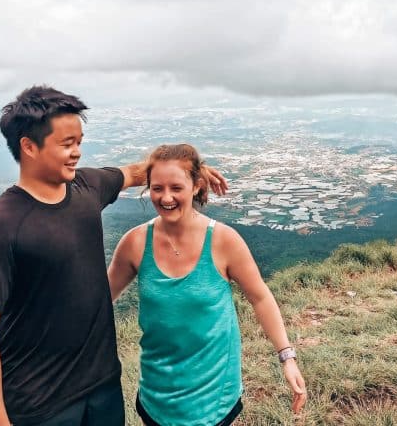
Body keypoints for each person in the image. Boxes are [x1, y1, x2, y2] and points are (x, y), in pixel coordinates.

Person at [0, 86, 227, 426]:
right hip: (39, 402)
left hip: (102, 386)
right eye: (66, 144)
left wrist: (189, 170)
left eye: (79, 142)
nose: (77, 153)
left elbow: (133, 172)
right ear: (28, 146)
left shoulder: (85, 188)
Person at [108, 144, 307, 426]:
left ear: (196, 186)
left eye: (176, 187)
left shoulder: (224, 241)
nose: (166, 198)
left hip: (214, 396)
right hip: (156, 394)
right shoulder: (135, 243)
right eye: (157, 188)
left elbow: (260, 297)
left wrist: (287, 357)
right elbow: (100, 299)